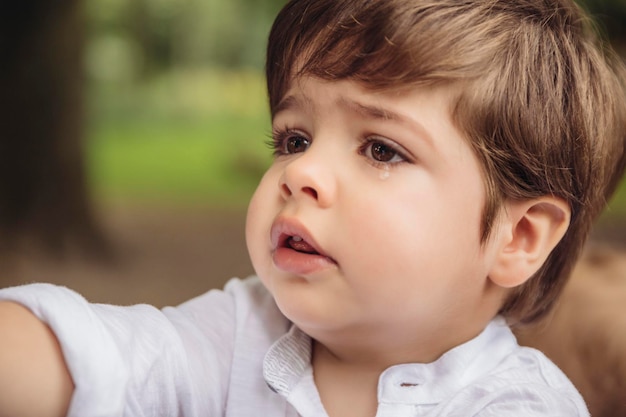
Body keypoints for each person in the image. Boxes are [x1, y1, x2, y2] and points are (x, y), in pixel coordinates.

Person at [1, 0, 625, 416]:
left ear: (517, 236)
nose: (301, 172)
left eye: (381, 149)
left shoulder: (517, 406)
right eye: (294, 139)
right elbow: (97, 359)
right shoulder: (242, 332)